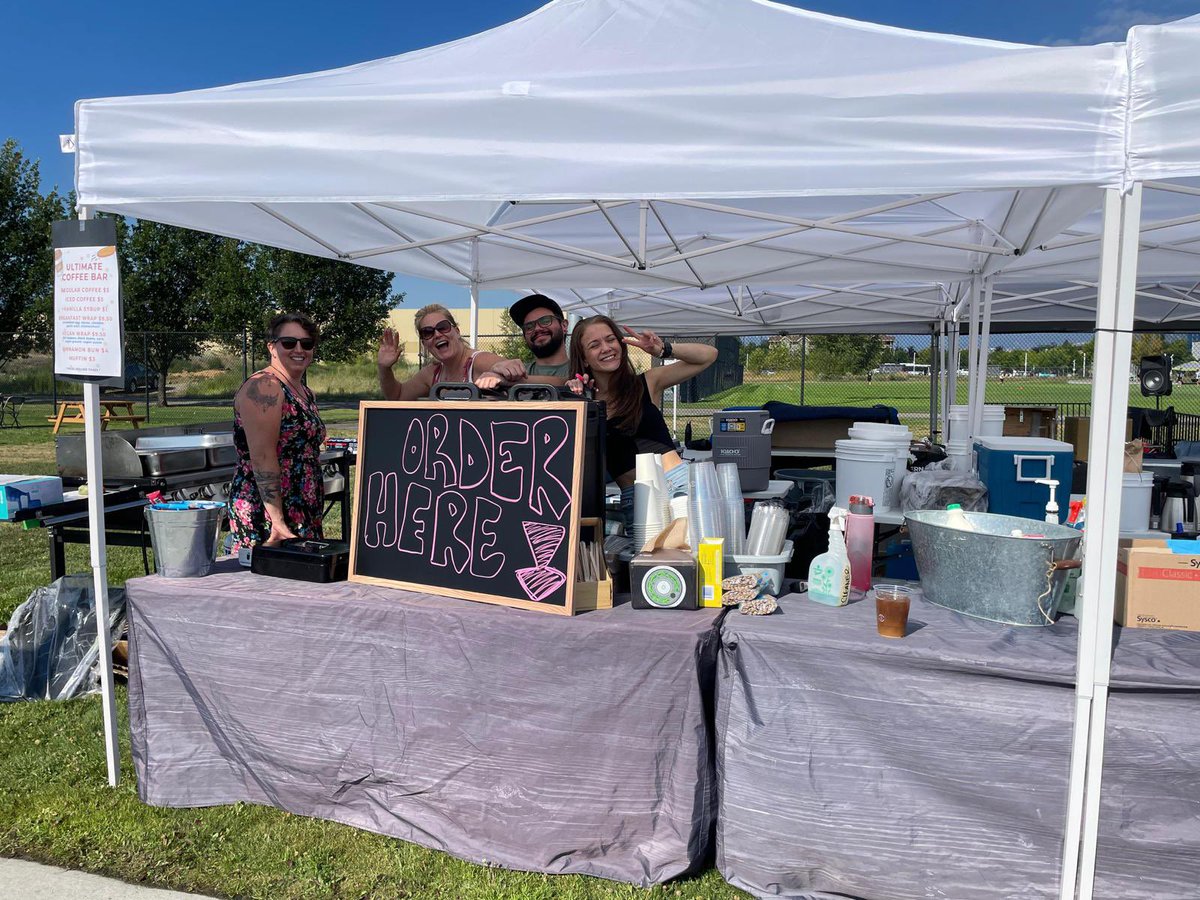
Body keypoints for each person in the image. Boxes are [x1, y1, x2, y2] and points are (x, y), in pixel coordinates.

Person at [569, 314, 717, 525]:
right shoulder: (585, 402)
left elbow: (709, 355)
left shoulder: (647, 382)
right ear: (583, 358)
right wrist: (570, 395)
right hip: (636, 498)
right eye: (594, 345)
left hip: (677, 486)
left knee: (696, 557)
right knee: (646, 558)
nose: (606, 348)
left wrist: (662, 349)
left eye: (611, 339)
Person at [229, 312, 325, 549]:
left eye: (307, 343)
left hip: (303, 503)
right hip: (269, 510)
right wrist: (277, 519)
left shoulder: (305, 392)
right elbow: (262, 457)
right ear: (272, 347)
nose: (299, 349)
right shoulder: (265, 386)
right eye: (289, 343)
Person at [377, 304, 504, 400]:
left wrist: (502, 376)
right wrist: (384, 368)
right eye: (428, 332)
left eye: (443, 327)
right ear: (424, 344)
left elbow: (522, 379)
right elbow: (397, 396)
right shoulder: (432, 373)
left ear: (457, 331)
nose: (437, 334)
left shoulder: (479, 361)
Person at [484, 294, 571, 387]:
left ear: (564, 326)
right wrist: (493, 371)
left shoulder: (581, 369)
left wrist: (512, 382)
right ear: (524, 336)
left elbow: (565, 381)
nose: (537, 329)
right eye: (529, 327)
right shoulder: (516, 373)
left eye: (545, 321)